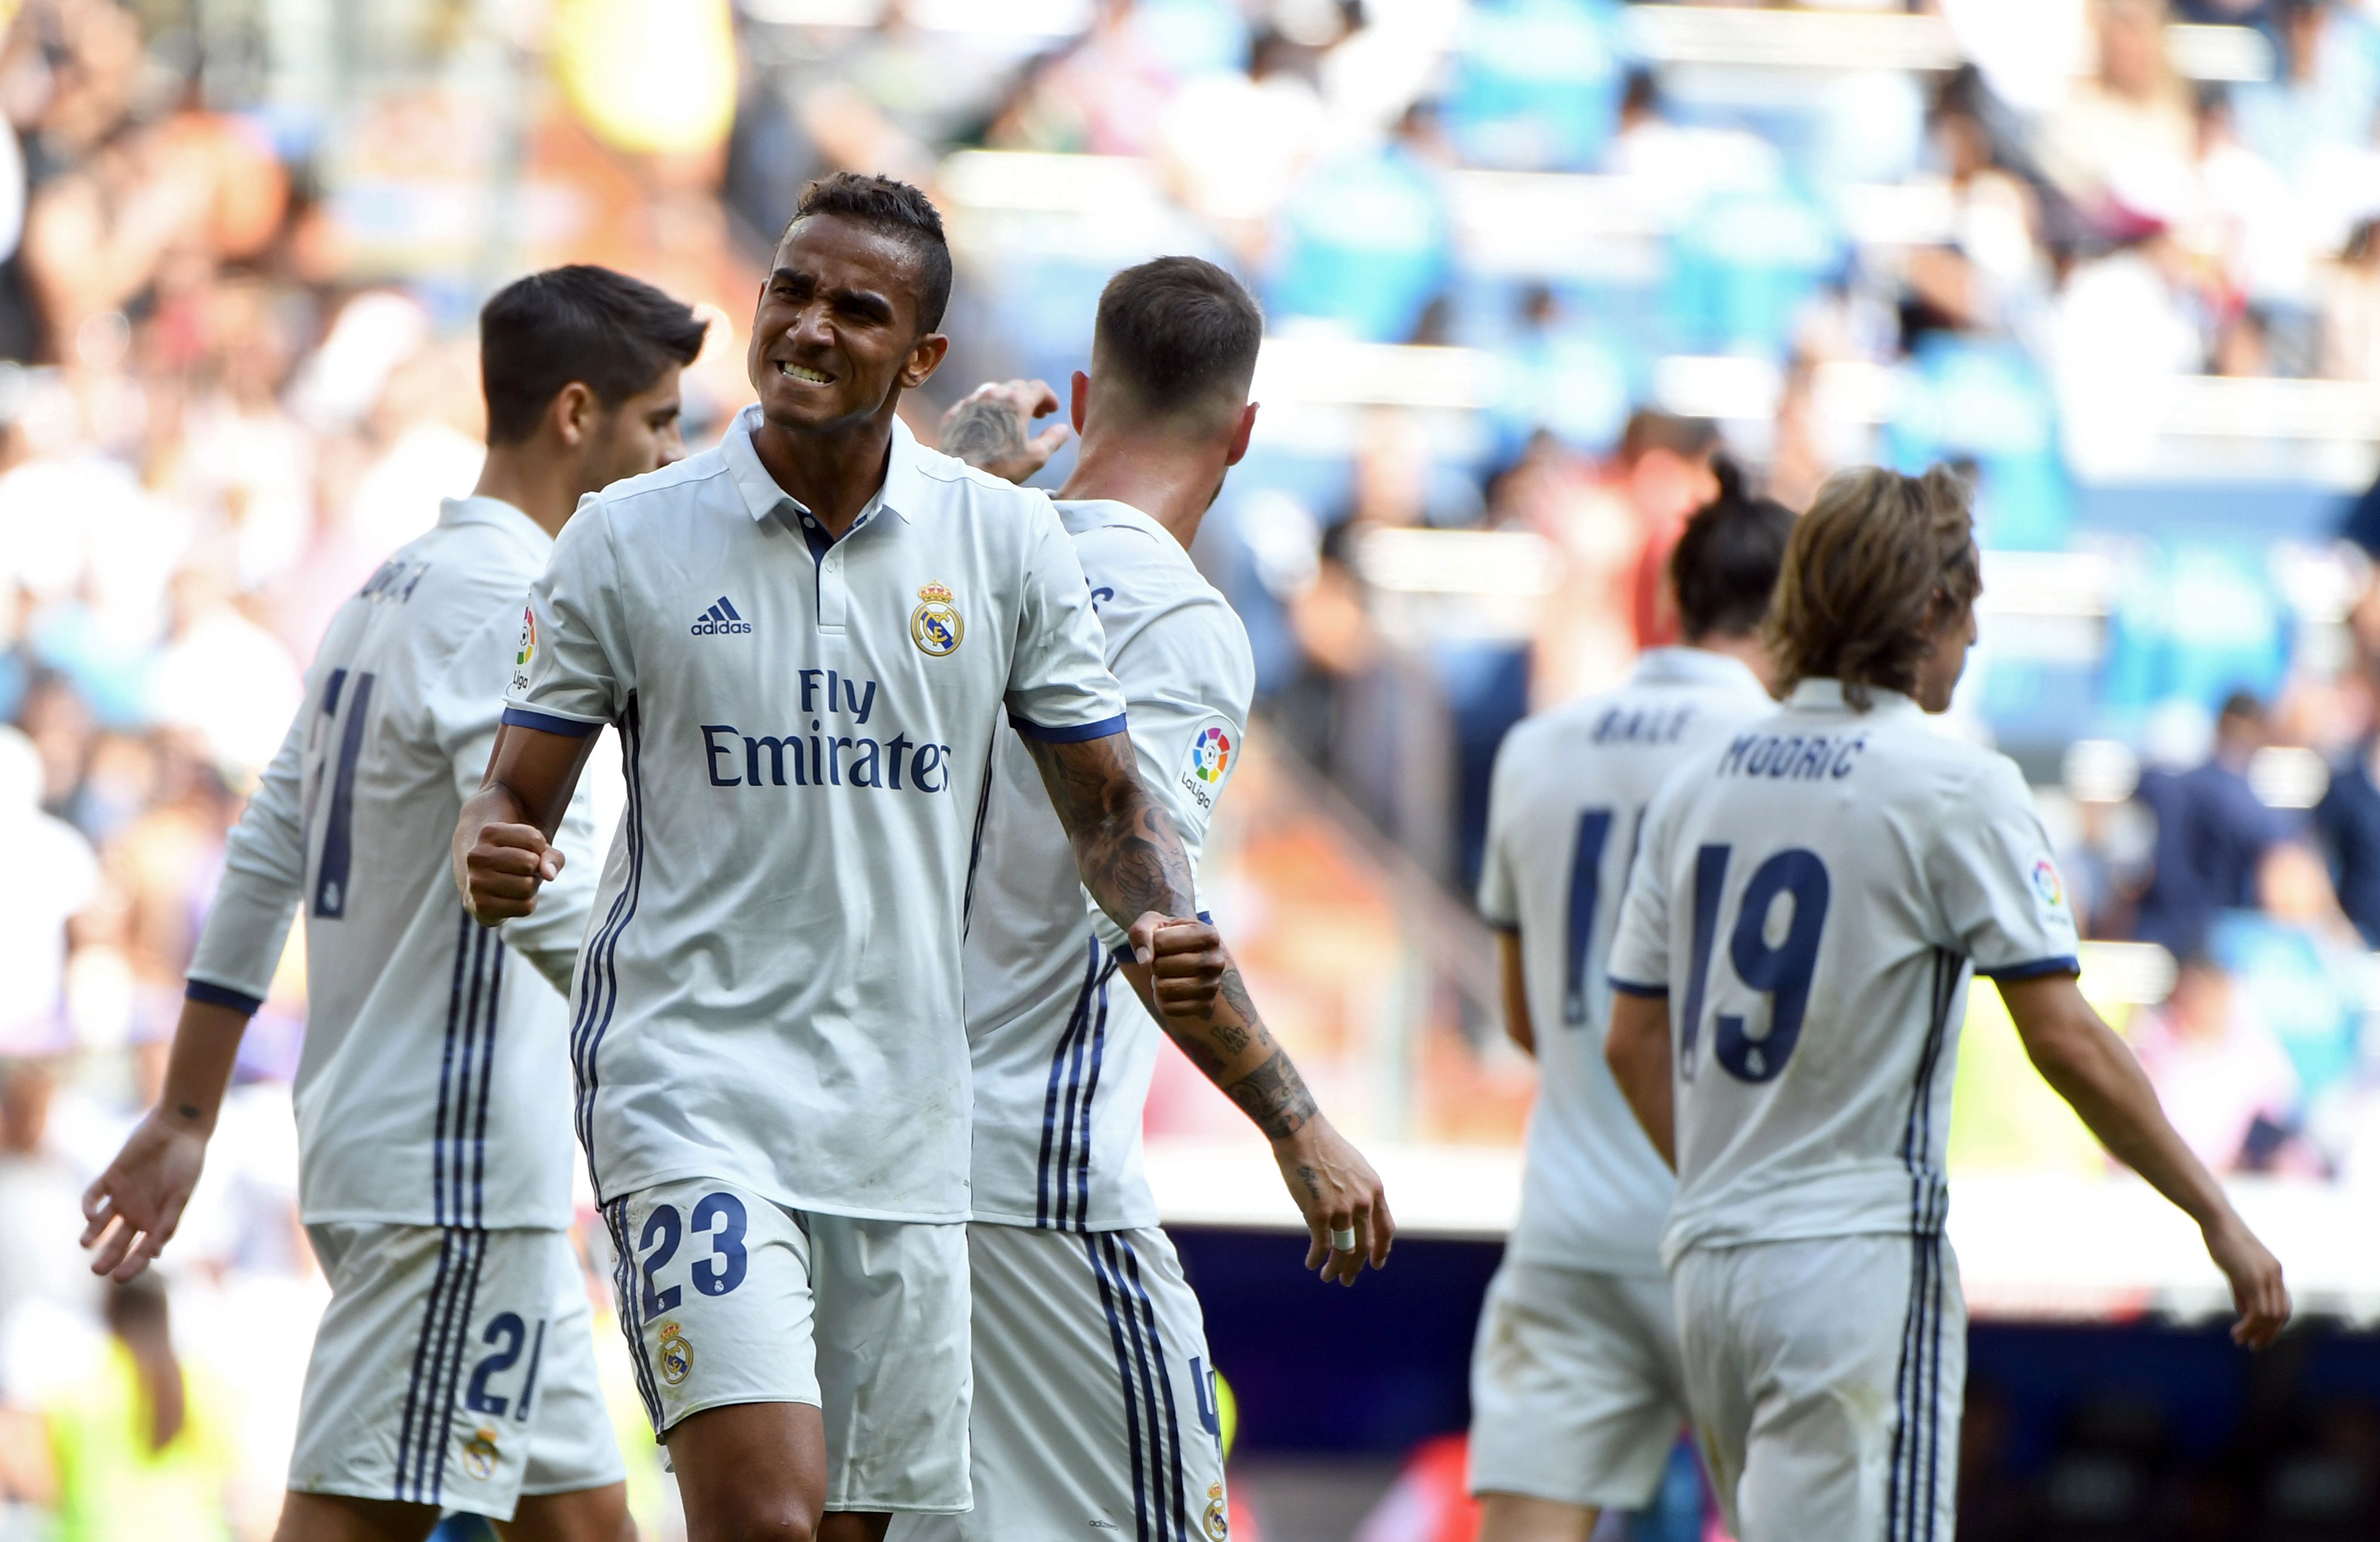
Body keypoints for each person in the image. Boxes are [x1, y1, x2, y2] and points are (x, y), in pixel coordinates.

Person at [452, 174, 1225, 1542]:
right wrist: (493, 845)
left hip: (907, 1133)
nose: (807, 327)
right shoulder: (624, 537)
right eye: (790, 292)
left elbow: (1111, 809)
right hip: (693, 1101)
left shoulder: (1006, 545)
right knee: (766, 1521)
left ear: (924, 359)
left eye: (856, 310)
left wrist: (1161, 916)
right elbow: (514, 792)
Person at [79, 263, 709, 1542]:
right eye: (660, 423)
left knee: (582, 1525)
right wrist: (704, 1044)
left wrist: (189, 1107)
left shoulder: (388, 595)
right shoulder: (504, 608)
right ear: (576, 415)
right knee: (358, 1518)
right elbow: (533, 882)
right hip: (453, 1168)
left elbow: (265, 855)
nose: (672, 456)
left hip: (434, 1158)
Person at [1602, 465, 2290, 1540]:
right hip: (1856, 1264)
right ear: (1929, 610)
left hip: (1712, 1264)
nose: (1972, 652)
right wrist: (2217, 1214)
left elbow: (1630, 1036)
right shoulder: (1955, 782)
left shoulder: (1703, 781)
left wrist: (1723, 1186)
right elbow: (2061, 1036)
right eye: (1971, 617)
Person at [915, 256, 1394, 1542]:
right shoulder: (1183, 625)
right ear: (1244, 434)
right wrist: (1298, 1124)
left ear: (1082, 393)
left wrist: (953, 480)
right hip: (1042, 1181)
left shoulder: (943, 559)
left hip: (877, 1166)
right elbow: (1147, 908)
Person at [1466, 465, 1794, 1542]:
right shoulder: (1787, 764)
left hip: (1568, 1227)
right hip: (1735, 1229)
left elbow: (1524, 1021)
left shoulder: (1537, 747)